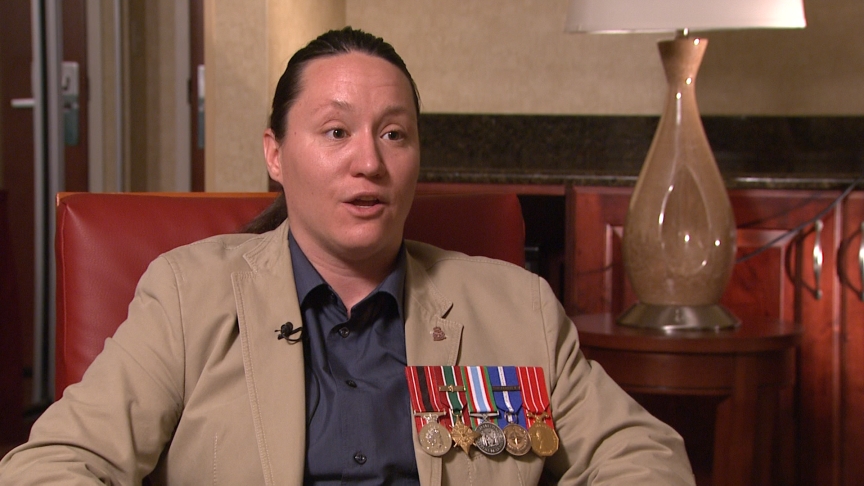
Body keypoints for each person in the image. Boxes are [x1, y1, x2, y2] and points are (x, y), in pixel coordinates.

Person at [0, 27, 695, 485]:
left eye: (394, 135)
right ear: (275, 154)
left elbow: (645, 456)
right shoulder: (189, 295)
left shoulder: (514, 308)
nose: (369, 161)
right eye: (336, 132)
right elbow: (55, 463)